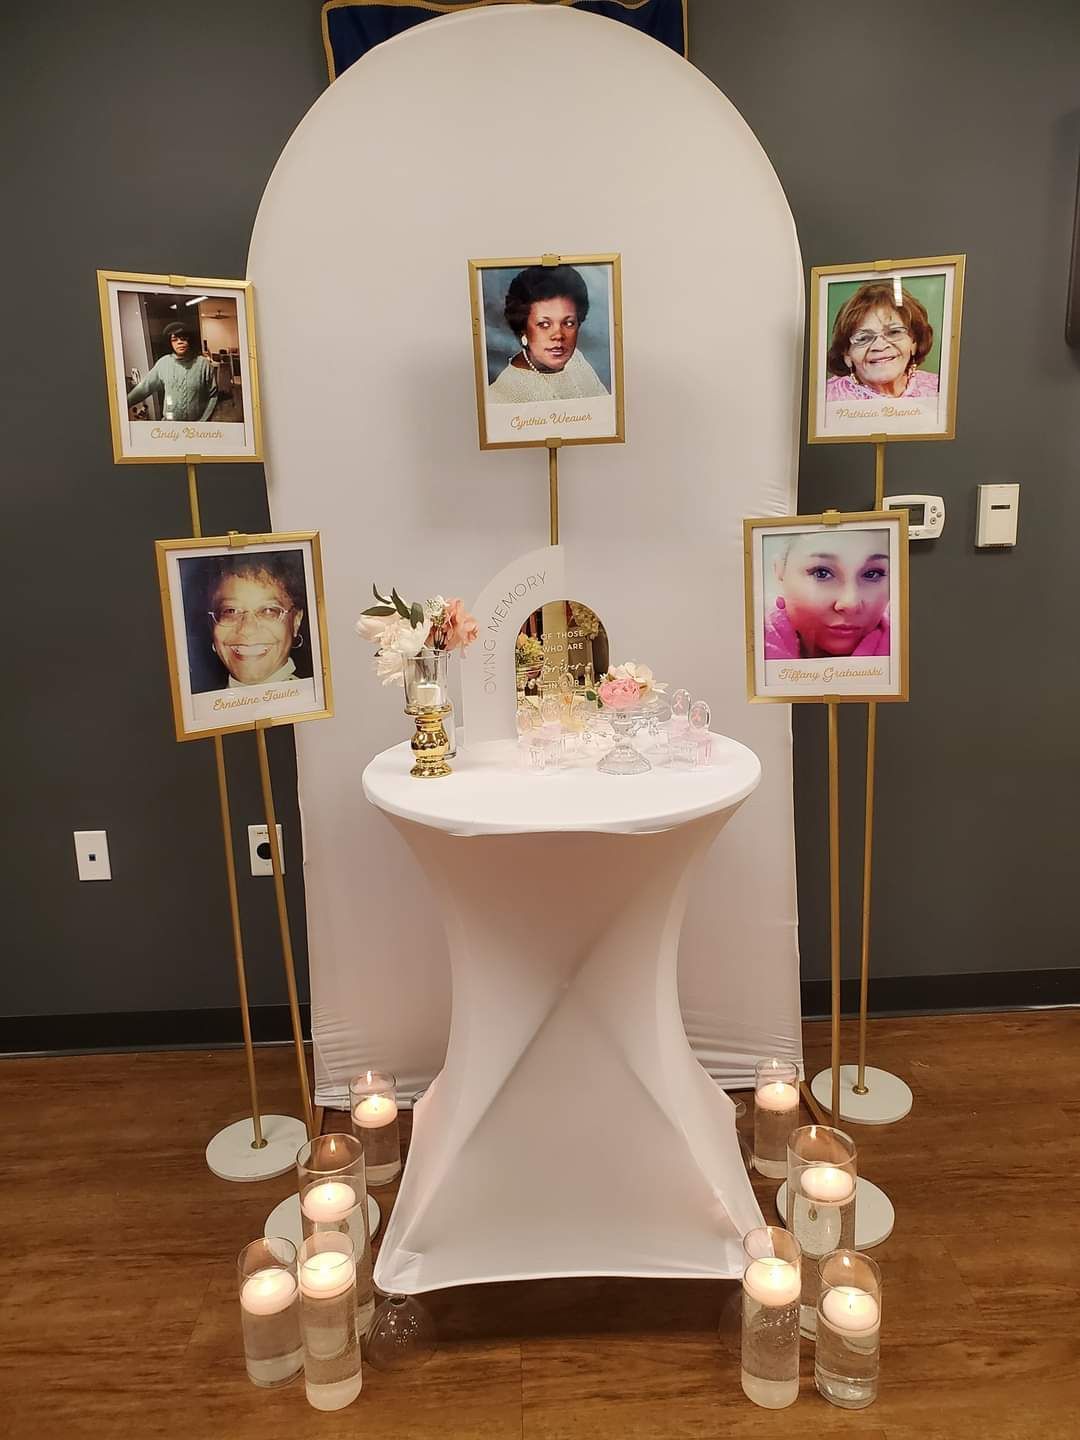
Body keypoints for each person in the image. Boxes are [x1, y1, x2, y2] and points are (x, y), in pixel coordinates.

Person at [488, 264, 608, 403]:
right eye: (544, 324)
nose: (558, 335)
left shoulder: (576, 360)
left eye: (568, 323)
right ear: (523, 328)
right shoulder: (501, 395)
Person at [764, 530, 890, 660]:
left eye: (872, 574)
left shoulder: (906, 651)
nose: (850, 603)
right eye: (821, 573)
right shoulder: (749, 651)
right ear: (779, 570)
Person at [201, 552, 308, 689]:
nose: (247, 629)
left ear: (296, 621)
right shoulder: (198, 707)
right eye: (231, 611)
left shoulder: (316, 702)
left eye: (268, 611)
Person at [825, 282, 938, 402]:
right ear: (847, 355)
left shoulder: (940, 389)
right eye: (864, 338)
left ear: (913, 343)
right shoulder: (825, 400)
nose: (879, 346)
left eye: (894, 332)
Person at [126, 320, 218, 421]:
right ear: (169, 343)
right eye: (174, 339)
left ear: (190, 339)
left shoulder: (203, 364)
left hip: (195, 429)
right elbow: (144, 387)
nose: (179, 342)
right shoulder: (163, 363)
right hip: (169, 427)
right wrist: (125, 402)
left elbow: (213, 395)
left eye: (183, 338)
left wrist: (203, 421)